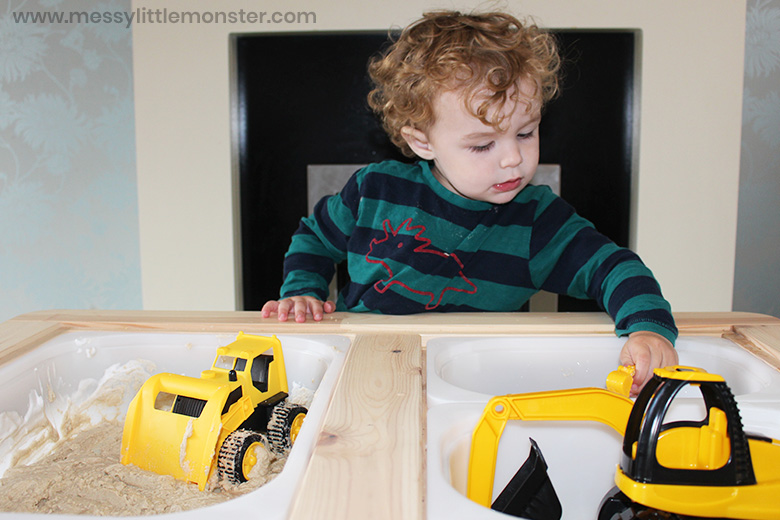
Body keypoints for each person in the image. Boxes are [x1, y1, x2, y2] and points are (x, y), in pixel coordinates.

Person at [262, 10, 678, 395]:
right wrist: (302, 293)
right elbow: (314, 238)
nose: (513, 158)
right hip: (364, 367)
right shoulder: (376, 190)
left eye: (525, 132)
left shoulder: (538, 222)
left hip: (476, 380)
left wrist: (648, 329)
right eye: (482, 146)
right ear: (422, 142)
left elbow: (614, 267)